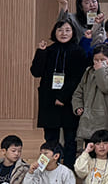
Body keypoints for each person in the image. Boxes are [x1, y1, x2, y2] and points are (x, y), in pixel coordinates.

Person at [31, 20, 88, 165]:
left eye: (67, 30)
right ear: (54, 32)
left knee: (70, 139)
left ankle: (68, 169)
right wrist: (40, 52)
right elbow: (36, 72)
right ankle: (50, 167)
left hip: (69, 100)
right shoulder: (48, 50)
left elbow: (77, 78)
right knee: (50, 138)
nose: (64, 33)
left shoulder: (78, 51)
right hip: (49, 100)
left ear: (73, 32)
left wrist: (63, 97)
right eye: (60, 30)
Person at [72, 45, 108, 150]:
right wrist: (78, 106)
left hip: (105, 117)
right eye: (96, 60)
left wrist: (100, 70)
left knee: (103, 146)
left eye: (102, 60)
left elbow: (106, 87)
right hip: (88, 116)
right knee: (89, 146)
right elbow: (78, 92)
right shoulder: (88, 72)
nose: (99, 62)